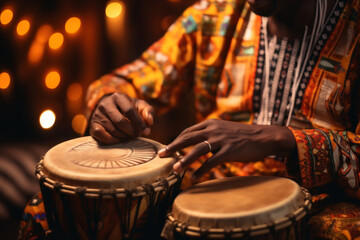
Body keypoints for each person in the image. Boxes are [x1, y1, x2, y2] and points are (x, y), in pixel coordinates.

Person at [20, 0, 360, 239]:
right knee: (44, 214)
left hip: (321, 199)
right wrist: (110, 105)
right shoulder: (214, 15)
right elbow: (123, 82)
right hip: (206, 183)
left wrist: (280, 138)